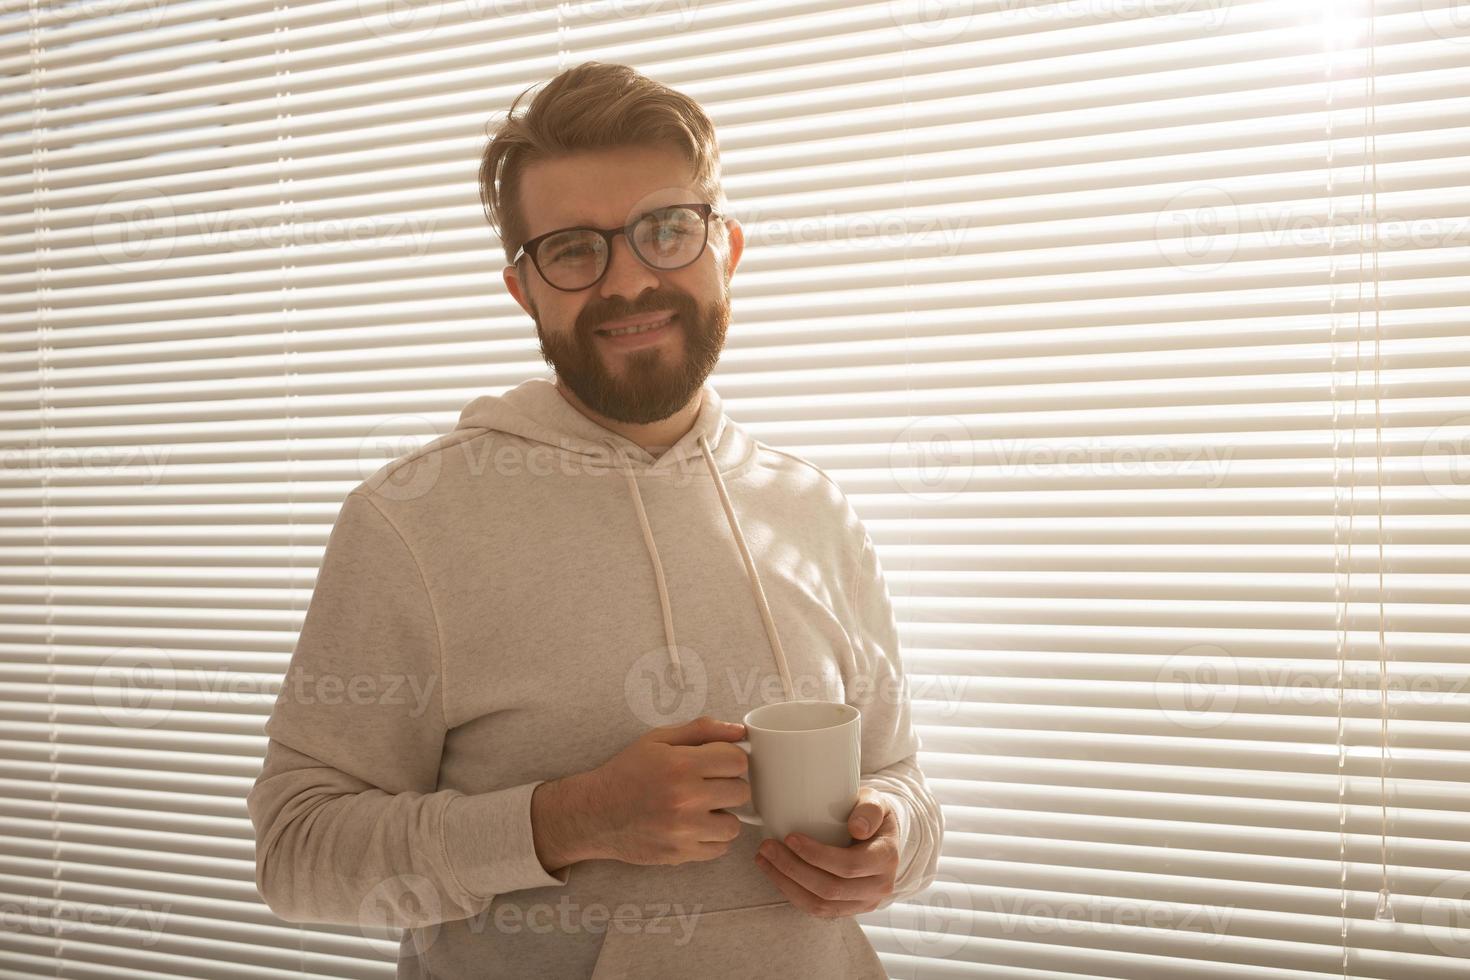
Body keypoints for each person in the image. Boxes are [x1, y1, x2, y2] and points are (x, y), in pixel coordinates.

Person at [247, 61, 943, 979]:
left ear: (726, 248)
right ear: (524, 289)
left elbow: (904, 785)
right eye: (575, 248)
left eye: (666, 230)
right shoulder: (408, 522)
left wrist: (893, 840)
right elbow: (298, 856)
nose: (628, 283)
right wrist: (567, 820)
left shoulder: (814, 508)